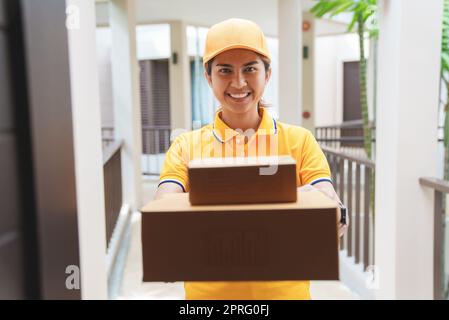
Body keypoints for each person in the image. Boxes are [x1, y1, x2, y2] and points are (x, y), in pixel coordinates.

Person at [154, 18, 347, 300]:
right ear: (208, 77)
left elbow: (328, 206)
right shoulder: (186, 145)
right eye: (224, 70)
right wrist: (286, 206)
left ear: (267, 74)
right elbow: (165, 215)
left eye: (250, 69)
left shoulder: (299, 140)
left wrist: (332, 213)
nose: (239, 82)